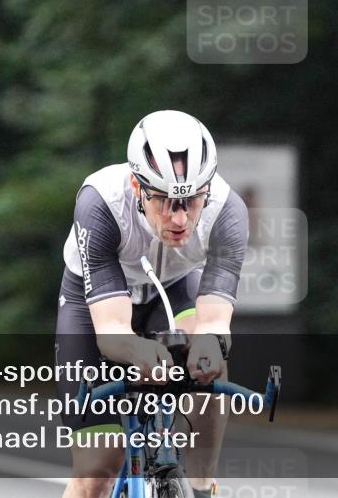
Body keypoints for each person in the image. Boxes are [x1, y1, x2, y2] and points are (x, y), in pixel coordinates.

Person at [56, 110, 248, 498]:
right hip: (94, 300)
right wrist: (138, 348)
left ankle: (201, 484)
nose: (178, 218)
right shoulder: (100, 203)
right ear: (136, 185)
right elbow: (111, 332)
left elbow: (214, 319)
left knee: (211, 362)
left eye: (191, 202)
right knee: (97, 470)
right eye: (163, 201)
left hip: (173, 287)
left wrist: (209, 344)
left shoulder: (228, 212)